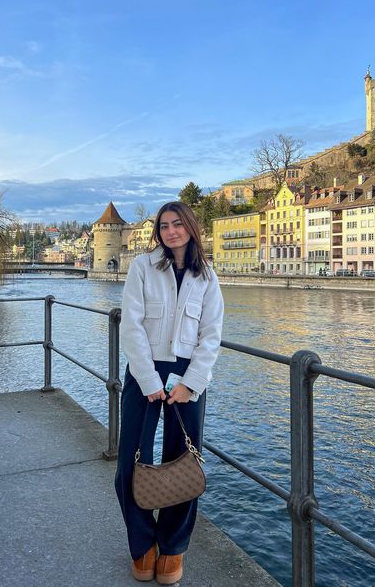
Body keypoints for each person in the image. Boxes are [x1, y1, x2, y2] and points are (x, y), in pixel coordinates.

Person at [115, 201, 224, 585]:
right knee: (130, 461)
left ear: (191, 228)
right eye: (164, 226)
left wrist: (191, 383)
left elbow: (211, 335)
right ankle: (142, 545)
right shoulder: (143, 267)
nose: (171, 231)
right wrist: (147, 381)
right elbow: (131, 326)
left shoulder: (207, 275)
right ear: (157, 232)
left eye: (178, 224)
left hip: (188, 376)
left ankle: (173, 548)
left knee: (184, 462)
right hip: (146, 371)